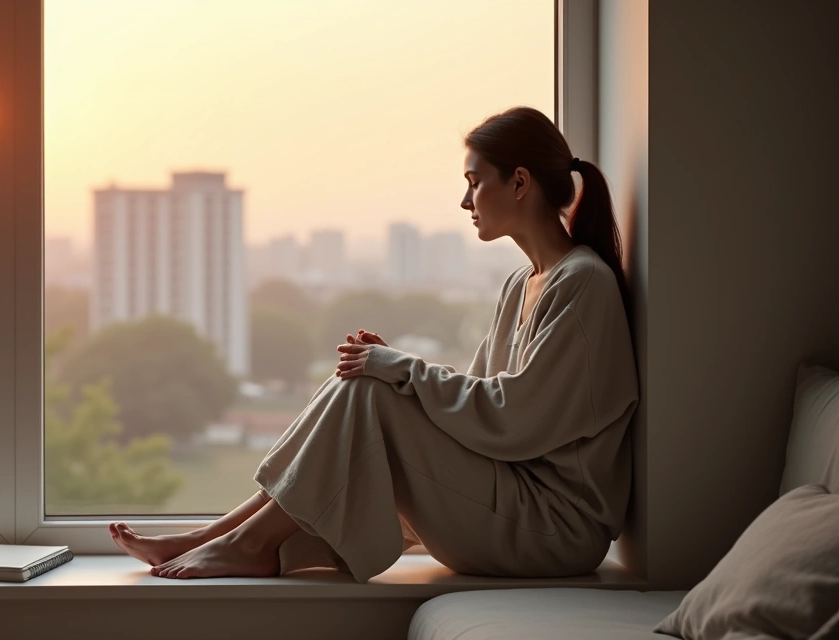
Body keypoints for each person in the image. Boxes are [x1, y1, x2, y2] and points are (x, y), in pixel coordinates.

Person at [109, 106, 638, 582]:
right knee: (366, 384)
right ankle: (221, 537)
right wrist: (395, 371)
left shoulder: (582, 283)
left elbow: (514, 419)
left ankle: (244, 544)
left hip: (552, 529)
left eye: (475, 182)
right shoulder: (523, 283)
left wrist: (403, 373)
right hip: (516, 500)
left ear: (520, 182)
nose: (464, 200)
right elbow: (482, 396)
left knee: (374, 390)